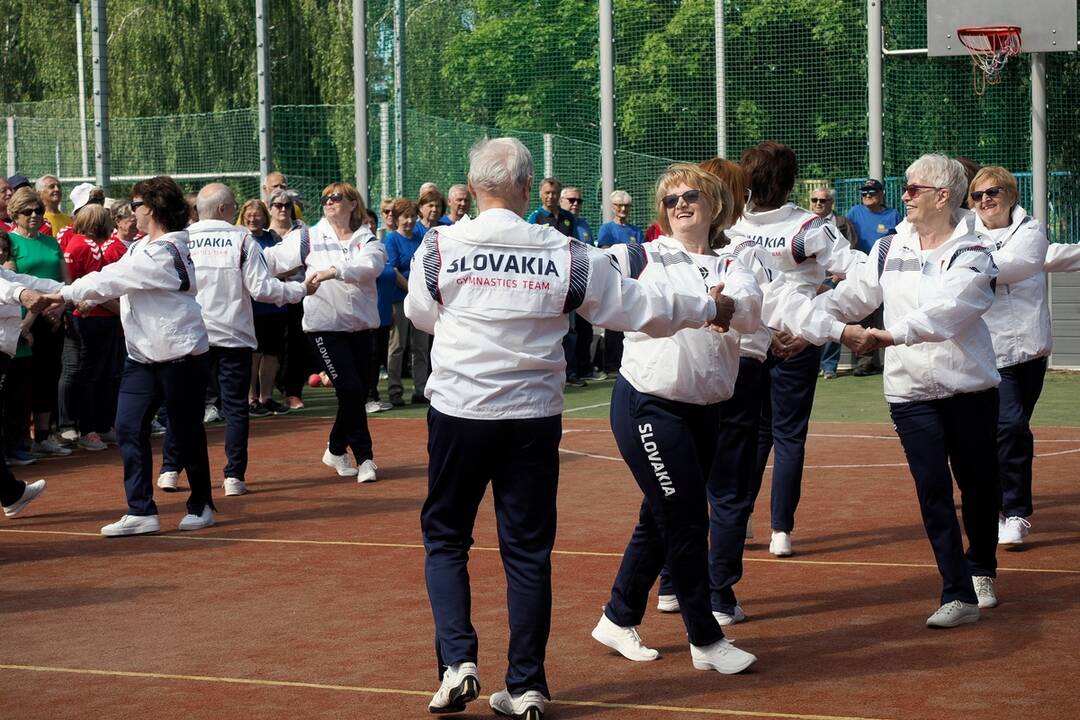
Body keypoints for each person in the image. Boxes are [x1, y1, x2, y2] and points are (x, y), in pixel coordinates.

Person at [406, 137, 732, 719]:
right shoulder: (563, 251)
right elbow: (636, 308)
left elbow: (421, 315)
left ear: (474, 185)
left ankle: (457, 661)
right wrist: (707, 309)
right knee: (528, 552)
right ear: (528, 188)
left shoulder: (438, 245)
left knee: (447, 540)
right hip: (531, 415)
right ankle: (527, 682)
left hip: (459, 410)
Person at [789, 154, 1001, 627]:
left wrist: (888, 336)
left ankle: (982, 566)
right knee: (932, 490)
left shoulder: (975, 251)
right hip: (909, 393)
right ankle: (957, 591)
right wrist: (806, 325)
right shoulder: (888, 248)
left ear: (943, 196)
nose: (903, 195)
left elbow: (951, 310)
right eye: (903, 188)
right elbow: (853, 296)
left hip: (969, 389)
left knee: (979, 486)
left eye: (913, 188)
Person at [592, 163, 760, 675]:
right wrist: (704, 306)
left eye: (690, 196)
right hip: (648, 403)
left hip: (706, 410)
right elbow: (594, 278)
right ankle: (704, 639)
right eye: (669, 200)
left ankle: (617, 617)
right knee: (686, 517)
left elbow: (749, 310)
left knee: (661, 514)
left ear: (714, 206)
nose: (680, 205)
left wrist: (720, 305)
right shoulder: (641, 254)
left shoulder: (738, 257)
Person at [48, 176, 219, 536]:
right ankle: (141, 510)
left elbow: (113, 278)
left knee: (185, 431)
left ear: (153, 208)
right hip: (142, 356)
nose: (131, 211)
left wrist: (62, 294)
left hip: (181, 355)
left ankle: (202, 503)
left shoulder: (165, 251)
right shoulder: (144, 246)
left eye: (137, 204)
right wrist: (78, 295)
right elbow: (112, 279)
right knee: (127, 426)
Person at [726, 141, 853, 559]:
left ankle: (739, 515)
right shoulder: (810, 226)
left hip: (751, 339)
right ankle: (781, 530)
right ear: (791, 181)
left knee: (754, 433)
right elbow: (853, 267)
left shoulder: (733, 225)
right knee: (788, 435)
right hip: (797, 335)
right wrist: (821, 318)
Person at [158, 184, 308, 498]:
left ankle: (170, 469)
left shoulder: (178, 239)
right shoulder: (240, 239)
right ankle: (233, 476)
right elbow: (262, 289)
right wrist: (299, 290)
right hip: (232, 335)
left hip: (191, 334)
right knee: (236, 407)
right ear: (226, 209)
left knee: (185, 404)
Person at [264, 182, 386, 482]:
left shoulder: (367, 239)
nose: (328, 202)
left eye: (336, 197)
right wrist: (238, 255)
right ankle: (366, 458)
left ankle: (334, 448)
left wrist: (335, 270)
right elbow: (272, 260)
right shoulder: (308, 236)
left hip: (361, 329)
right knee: (352, 390)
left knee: (353, 393)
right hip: (324, 329)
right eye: (325, 198)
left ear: (352, 203)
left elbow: (370, 266)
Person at [966, 167, 1050, 548]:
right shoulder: (964, 233)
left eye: (993, 192)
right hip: (989, 351)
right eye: (977, 195)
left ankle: (997, 501)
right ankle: (1012, 512)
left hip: (1030, 349)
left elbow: (1017, 266)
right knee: (1010, 427)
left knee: (1010, 431)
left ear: (1011, 195)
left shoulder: (1031, 231)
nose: (985, 200)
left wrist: (967, 268)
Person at [0, 238, 65, 518]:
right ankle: (11, 492)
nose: (2, 254)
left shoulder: (5, 274)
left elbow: (28, 280)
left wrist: (74, 291)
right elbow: (14, 287)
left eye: (4, 249)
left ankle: (11, 493)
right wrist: (22, 295)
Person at [7, 187, 70, 457]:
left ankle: (44, 436)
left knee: (48, 375)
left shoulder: (51, 241)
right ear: (15, 214)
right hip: (23, 321)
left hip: (52, 318)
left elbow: (64, 282)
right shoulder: (9, 242)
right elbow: (12, 283)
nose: (34, 215)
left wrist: (61, 306)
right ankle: (20, 439)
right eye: (27, 212)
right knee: (22, 381)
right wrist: (33, 316)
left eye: (38, 211)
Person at [65, 204, 127, 452]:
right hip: (89, 317)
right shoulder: (78, 245)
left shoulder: (99, 245)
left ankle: (102, 424)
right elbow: (77, 284)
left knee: (107, 374)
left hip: (106, 317)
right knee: (90, 374)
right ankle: (86, 427)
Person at [241, 198, 293, 417]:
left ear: (265, 217)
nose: (253, 218)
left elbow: (286, 266)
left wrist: (273, 274)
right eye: (249, 215)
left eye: (258, 215)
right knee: (254, 354)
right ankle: (251, 399)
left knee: (272, 353)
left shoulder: (273, 238)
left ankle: (267, 397)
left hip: (275, 305)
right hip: (252, 306)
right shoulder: (240, 239)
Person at [845, 179, 901, 376]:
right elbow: (847, 239)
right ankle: (865, 362)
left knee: (888, 314)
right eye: (864, 192)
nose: (867, 195)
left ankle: (892, 360)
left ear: (881, 193)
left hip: (887, 271)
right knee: (862, 314)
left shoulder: (893, 215)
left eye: (872, 192)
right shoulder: (854, 213)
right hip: (861, 270)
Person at [384, 198, 430, 406]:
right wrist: (411, 287)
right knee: (398, 345)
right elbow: (393, 269)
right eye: (405, 216)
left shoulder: (421, 237)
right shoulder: (391, 239)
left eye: (413, 216)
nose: (410, 221)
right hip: (399, 299)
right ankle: (395, 390)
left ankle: (420, 390)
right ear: (396, 218)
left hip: (420, 300)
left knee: (420, 347)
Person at [267, 189, 310, 411]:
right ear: (269, 208)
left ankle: (292, 391)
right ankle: (262, 395)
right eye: (278, 205)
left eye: (287, 205)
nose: (283, 209)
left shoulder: (303, 231)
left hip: (297, 294)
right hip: (269, 296)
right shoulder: (263, 233)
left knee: (296, 344)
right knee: (269, 348)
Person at [810, 186, 857, 380]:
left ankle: (829, 366)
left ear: (831, 203)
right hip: (811, 282)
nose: (818, 204)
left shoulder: (843, 223)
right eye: (815, 200)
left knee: (833, 322)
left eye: (823, 200)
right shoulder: (804, 222)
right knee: (809, 321)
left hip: (833, 280)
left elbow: (851, 246)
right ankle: (812, 365)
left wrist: (839, 276)